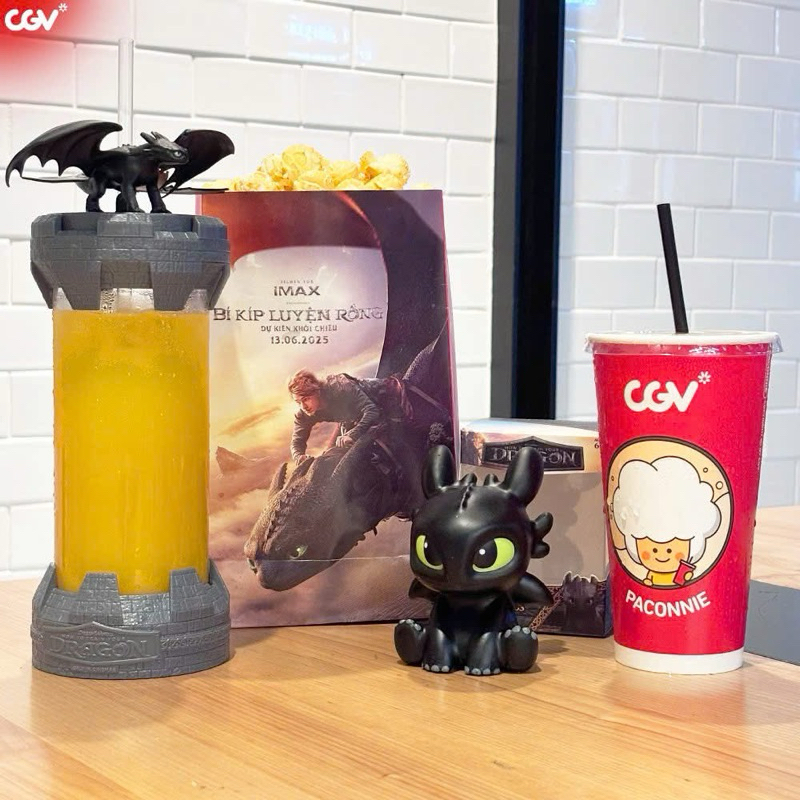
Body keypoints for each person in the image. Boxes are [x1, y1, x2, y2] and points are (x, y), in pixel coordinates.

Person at [288, 370, 395, 464]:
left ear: (317, 391)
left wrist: (353, 434)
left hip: (384, 399)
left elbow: (371, 410)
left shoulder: (340, 387)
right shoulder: (304, 413)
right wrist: (298, 456)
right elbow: (297, 441)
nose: (303, 406)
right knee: (332, 454)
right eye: (298, 402)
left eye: (306, 399)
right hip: (352, 418)